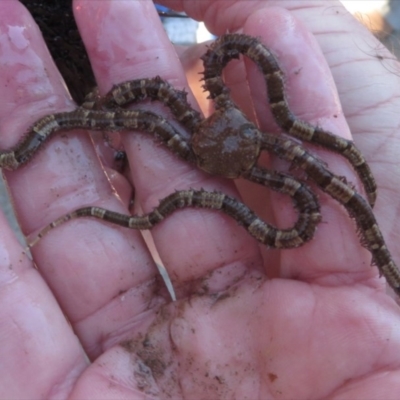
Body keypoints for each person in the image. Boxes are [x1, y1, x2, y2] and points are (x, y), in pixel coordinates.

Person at [0, 0, 400, 398]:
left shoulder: (275, 156)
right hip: (207, 152)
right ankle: (16, 153)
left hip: (226, 163)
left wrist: (369, 180)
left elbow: (339, 178)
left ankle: (393, 273)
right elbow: (166, 85)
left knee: (331, 194)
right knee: (140, 106)